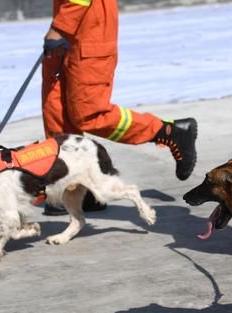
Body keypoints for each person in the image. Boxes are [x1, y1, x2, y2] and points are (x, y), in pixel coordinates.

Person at [42, 0, 197, 214]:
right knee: (57, 109)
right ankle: (76, 189)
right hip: (70, 28)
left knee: (89, 112)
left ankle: (169, 132)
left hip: (88, 29)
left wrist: (61, 27)